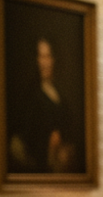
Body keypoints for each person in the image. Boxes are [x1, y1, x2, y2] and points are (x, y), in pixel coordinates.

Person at [8, 37, 80, 173]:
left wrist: (62, 141)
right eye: (41, 57)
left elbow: (70, 125)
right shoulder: (32, 94)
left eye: (47, 57)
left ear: (54, 59)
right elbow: (25, 135)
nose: (44, 63)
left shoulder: (60, 92)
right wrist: (49, 138)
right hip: (42, 163)